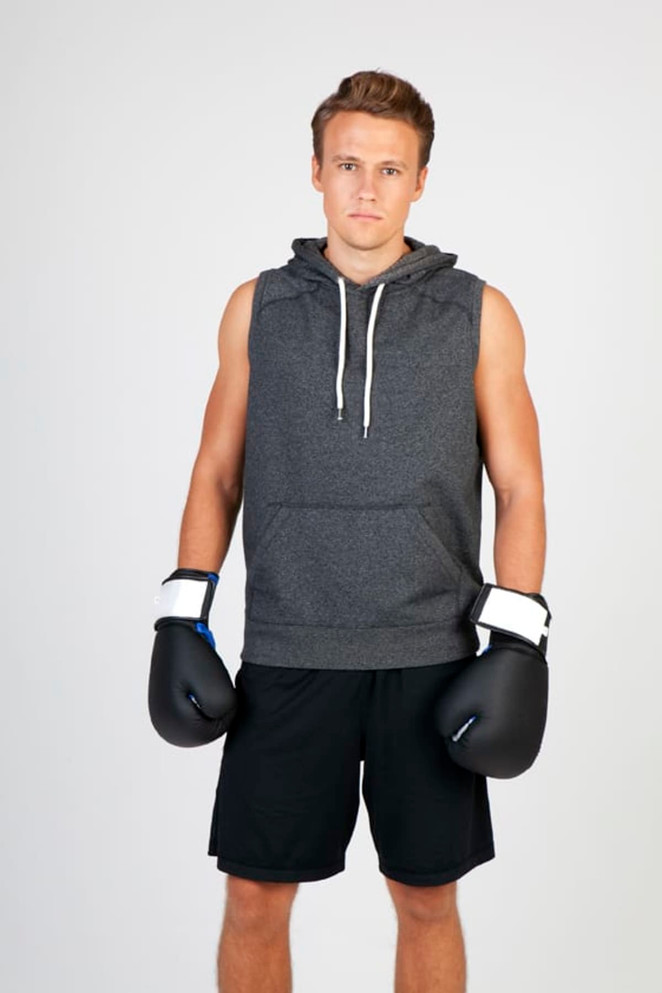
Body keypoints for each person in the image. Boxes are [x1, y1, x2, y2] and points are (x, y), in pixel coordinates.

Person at [149, 69, 549, 993]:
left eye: (389, 169)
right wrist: (182, 616)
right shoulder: (259, 307)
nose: (367, 187)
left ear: (419, 181)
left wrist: (518, 643)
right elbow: (216, 472)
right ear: (318, 173)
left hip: (433, 658)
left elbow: (521, 485)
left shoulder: (478, 313)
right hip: (290, 651)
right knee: (253, 895)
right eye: (348, 165)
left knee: (425, 898)